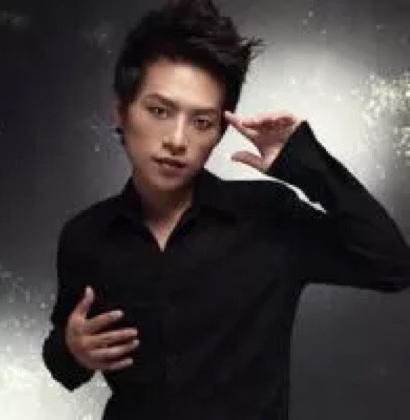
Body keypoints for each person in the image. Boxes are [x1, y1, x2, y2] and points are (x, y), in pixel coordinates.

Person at [41, 0, 410, 419]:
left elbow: (392, 267)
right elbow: (63, 363)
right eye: (159, 111)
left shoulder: (270, 216)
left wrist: (308, 165)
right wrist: (72, 349)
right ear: (122, 112)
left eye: (201, 122)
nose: (177, 140)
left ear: (219, 132)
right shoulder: (85, 236)